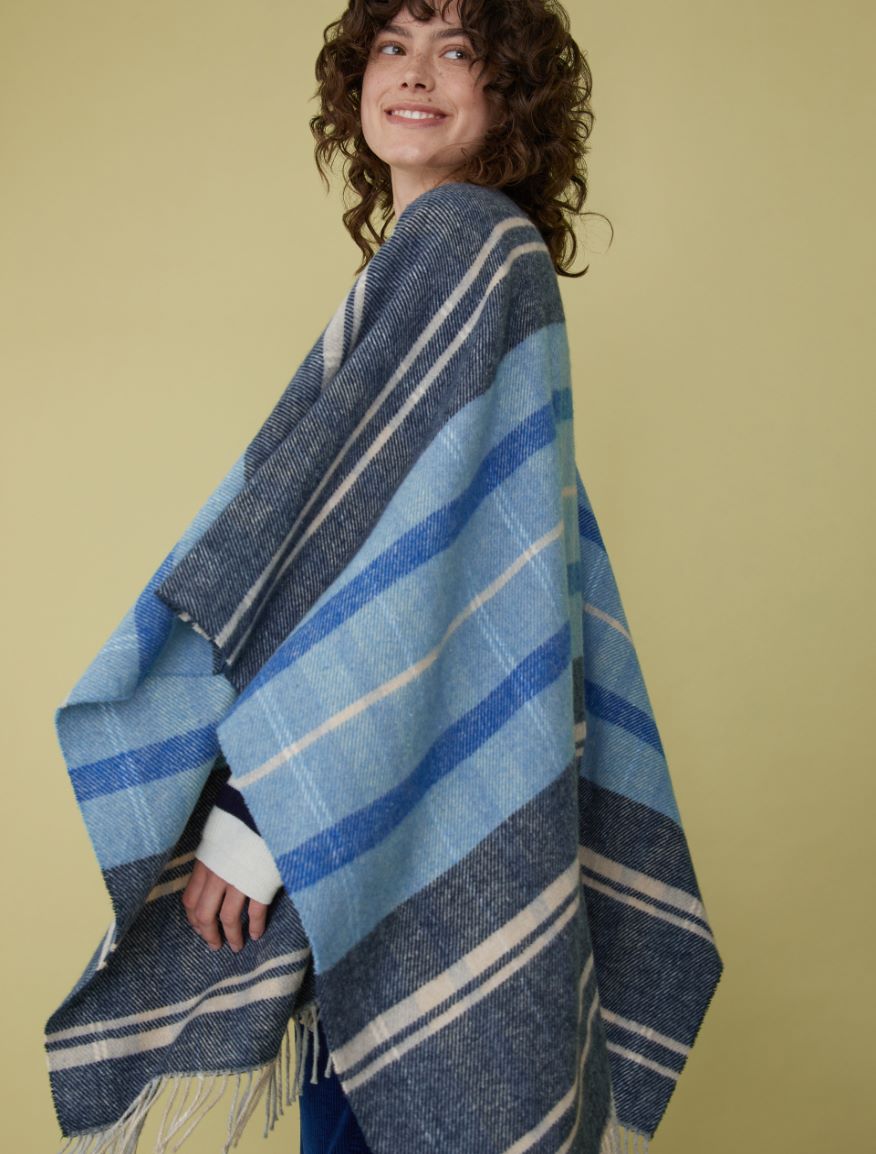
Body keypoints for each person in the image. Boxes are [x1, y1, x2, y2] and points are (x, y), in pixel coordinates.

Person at [177, 1, 602, 1151]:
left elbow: (388, 568)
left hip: (383, 799)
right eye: (391, 47)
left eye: (457, 51)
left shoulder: (461, 243)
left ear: (508, 95)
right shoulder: (471, 255)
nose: (414, 73)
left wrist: (255, 816)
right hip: (417, 779)